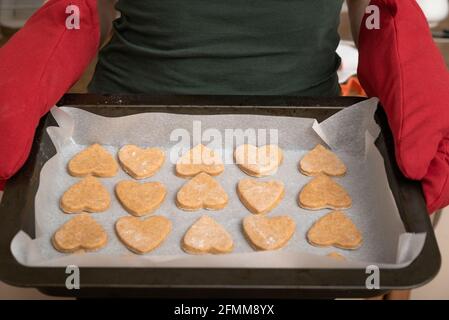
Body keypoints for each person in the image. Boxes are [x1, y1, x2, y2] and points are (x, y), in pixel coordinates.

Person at [0, 0, 448, 213]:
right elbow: (82, 10)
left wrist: (397, 38)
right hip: (129, 140)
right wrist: (45, 49)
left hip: (303, 146)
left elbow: (373, 10)